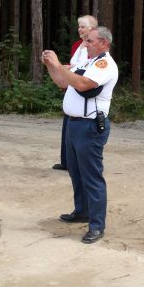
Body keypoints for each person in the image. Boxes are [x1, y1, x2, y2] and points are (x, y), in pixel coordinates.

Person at [42, 26, 118, 244]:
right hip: (74, 124)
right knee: (76, 172)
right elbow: (63, 82)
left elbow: (84, 84)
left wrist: (58, 64)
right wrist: (51, 65)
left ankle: (96, 226)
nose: (86, 44)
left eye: (90, 41)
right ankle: (82, 211)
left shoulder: (105, 64)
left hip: (90, 126)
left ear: (104, 43)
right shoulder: (87, 62)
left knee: (92, 177)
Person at [52, 15, 98, 171]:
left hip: (84, 87)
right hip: (71, 86)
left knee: (79, 125)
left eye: (83, 26)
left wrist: (69, 70)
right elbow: (75, 64)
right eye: (79, 26)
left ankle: (79, 163)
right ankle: (66, 161)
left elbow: (88, 67)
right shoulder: (77, 45)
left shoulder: (94, 47)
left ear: (92, 29)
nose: (80, 29)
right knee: (68, 123)